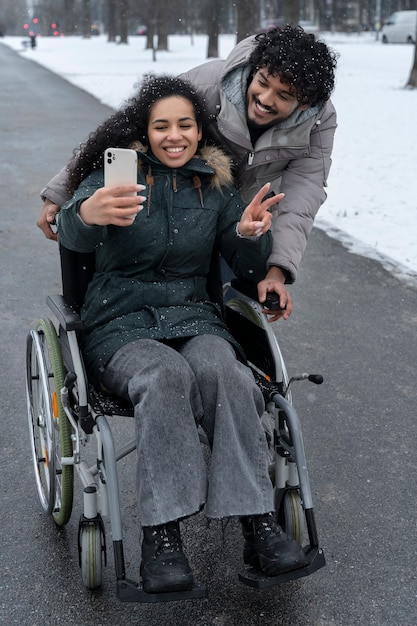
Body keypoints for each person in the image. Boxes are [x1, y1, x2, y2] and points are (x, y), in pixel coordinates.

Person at [57, 74, 309, 594]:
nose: (175, 136)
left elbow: (243, 267)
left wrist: (247, 236)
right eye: (162, 126)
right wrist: (87, 212)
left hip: (195, 319)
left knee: (227, 373)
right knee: (165, 375)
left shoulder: (214, 188)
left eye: (186, 125)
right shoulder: (117, 177)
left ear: (200, 131)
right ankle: (162, 536)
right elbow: (72, 229)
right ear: (145, 132)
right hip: (119, 325)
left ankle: (257, 523)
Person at [38, 24, 338, 315]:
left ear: (304, 103)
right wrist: (60, 192)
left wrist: (277, 272)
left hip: (237, 208)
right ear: (256, 67)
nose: (264, 99)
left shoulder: (318, 123)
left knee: (220, 278)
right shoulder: (207, 83)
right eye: (262, 82)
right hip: (188, 191)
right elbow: (122, 126)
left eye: (283, 96)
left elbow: (304, 195)